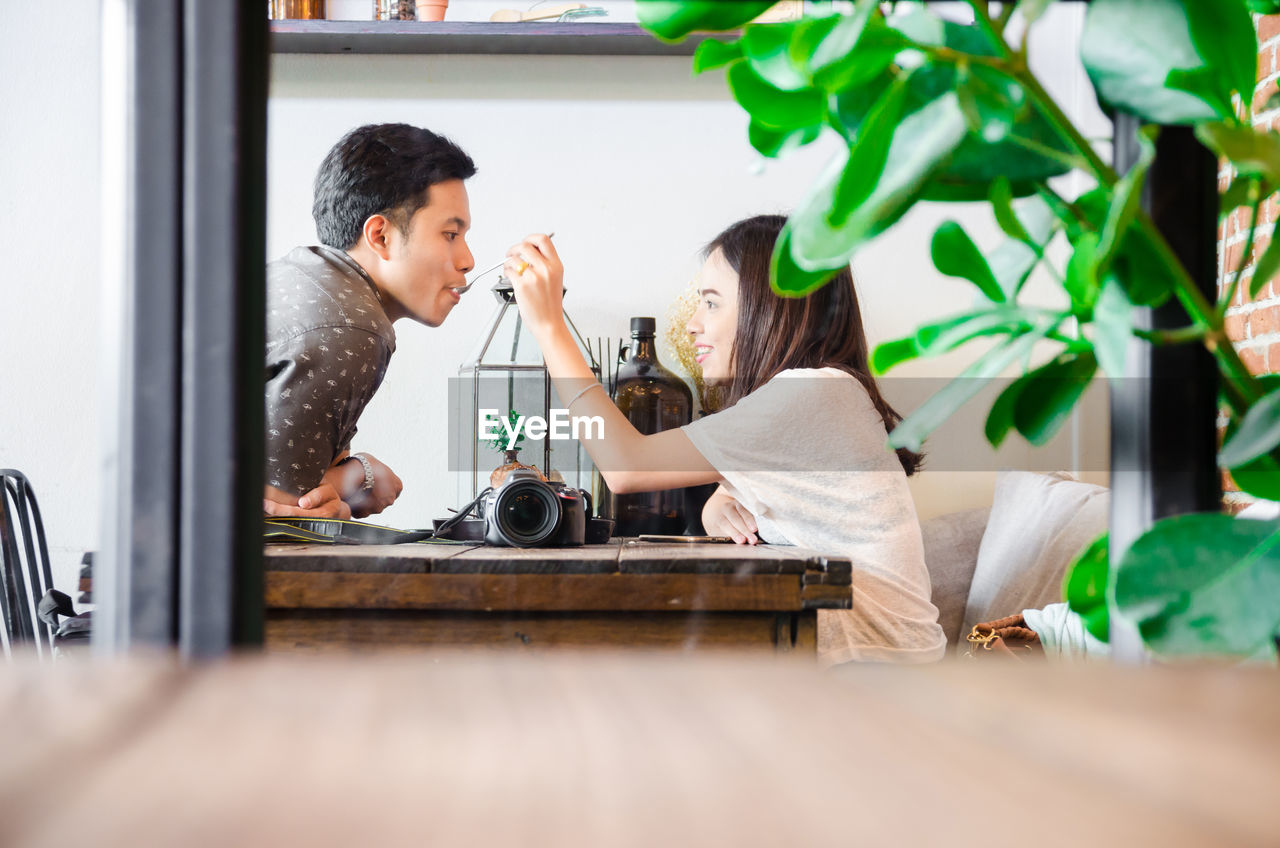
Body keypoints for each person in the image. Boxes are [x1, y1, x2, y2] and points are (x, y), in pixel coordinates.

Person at [504, 214, 946, 664]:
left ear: (773, 306)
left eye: (712, 304)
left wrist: (549, 325)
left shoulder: (811, 393)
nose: (694, 324)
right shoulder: (823, 394)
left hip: (879, 682)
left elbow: (624, 465)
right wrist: (721, 505)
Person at [263, 123, 477, 520]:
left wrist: (342, 486)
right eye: (450, 234)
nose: (467, 260)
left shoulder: (305, 277)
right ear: (380, 236)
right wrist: (358, 479)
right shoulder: (350, 328)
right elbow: (282, 522)